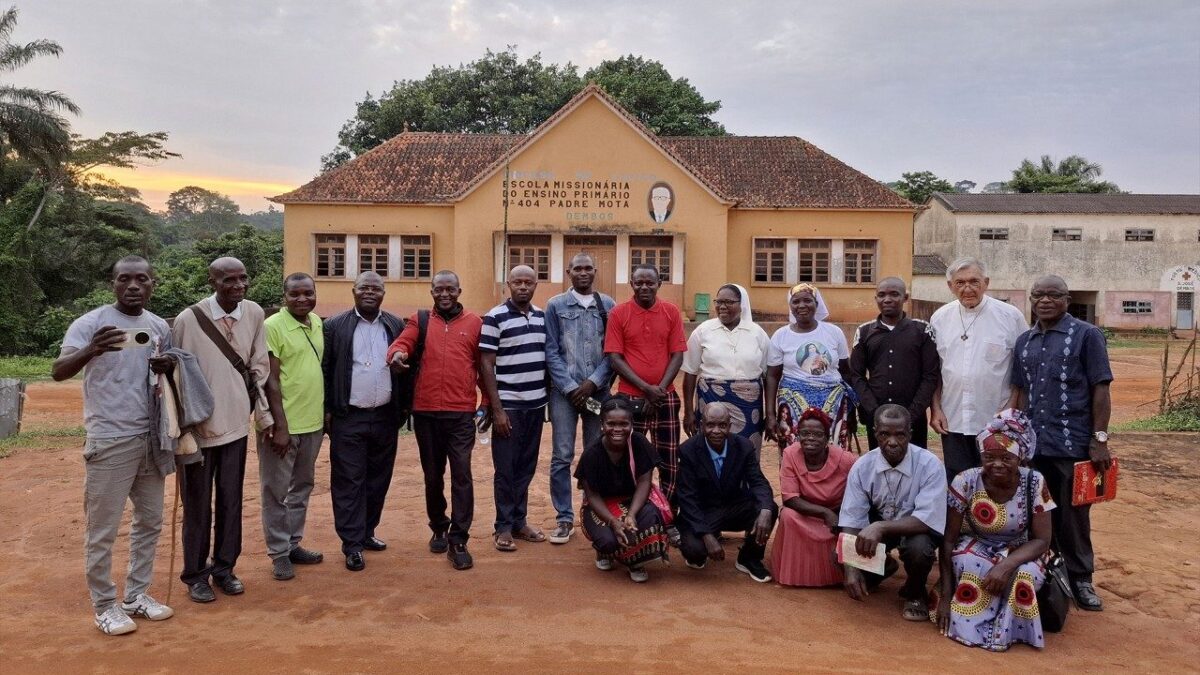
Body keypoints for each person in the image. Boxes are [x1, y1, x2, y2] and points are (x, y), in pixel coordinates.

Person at [53, 256, 176, 634]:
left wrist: (169, 365)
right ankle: (104, 605)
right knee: (103, 529)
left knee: (149, 522)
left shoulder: (158, 325)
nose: (134, 286)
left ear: (153, 283)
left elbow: (168, 373)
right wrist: (91, 349)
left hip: (151, 438)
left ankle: (136, 595)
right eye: (125, 279)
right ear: (113, 284)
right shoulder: (90, 323)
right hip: (109, 439)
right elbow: (58, 372)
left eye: (142, 279)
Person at [1006, 275, 1113, 611]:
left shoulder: (1087, 335)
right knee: (1034, 514)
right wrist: (1016, 440)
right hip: (1034, 448)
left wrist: (1099, 439)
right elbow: (1020, 394)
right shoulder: (1024, 341)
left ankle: (1082, 579)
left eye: (1054, 294)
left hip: (1074, 445)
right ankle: (1044, 576)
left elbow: (1101, 388)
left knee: (1073, 517)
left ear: (1067, 299)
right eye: (1038, 294)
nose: (1045, 300)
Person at [171, 256, 272, 602]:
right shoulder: (189, 319)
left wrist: (247, 401)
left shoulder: (255, 314)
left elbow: (259, 363)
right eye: (229, 280)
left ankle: (225, 569)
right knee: (197, 506)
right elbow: (176, 374)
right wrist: (185, 422)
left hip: (236, 428)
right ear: (212, 282)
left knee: (231, 501)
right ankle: (195, 575)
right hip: (196, 432)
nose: (238, 286)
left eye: (243, 278)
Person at [387, 270, 486, 570]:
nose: (444, 295)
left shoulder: (475, 323)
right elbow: (402, 343)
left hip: (460, 413)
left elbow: (482, 365)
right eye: (439, 290)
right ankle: (438, 526)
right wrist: (396, 355)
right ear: (431, 291)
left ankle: (459, 540)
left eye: (450, 289)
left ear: (459, 291)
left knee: (462, 475)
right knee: (433, 476)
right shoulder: (421, 319)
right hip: (426, 412)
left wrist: (491, 403)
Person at [937, 409, 1055, 651]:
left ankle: (1007, 631)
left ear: (1020, 457)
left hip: (1022, 547)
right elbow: (948, 541)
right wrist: (945, 597)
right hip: (978, 542)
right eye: (989, 457)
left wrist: (1006, 565)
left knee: (1023, 576)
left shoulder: (1035, 482)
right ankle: (969, 625)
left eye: (1006, 457)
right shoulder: (965, 481)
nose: (997, 464)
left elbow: (1043, 541)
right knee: (969, 562)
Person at [322, 271, 406, 572]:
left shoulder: (396, 324)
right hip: (349, 417)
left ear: (384, 293)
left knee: (378, 479)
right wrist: (328, 410)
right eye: (364, 288)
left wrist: (403, 410)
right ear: (353, 291)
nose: (370, 292)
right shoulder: (334, 326)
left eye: (376, 288)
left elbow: (408, 367)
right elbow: (326, 369)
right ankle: (352, 544)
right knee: (349, 481)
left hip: (385, 416)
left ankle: (367, 531)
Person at [839, 404, 947, 621]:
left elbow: (927, 520)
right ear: (875, 433)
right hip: (880, 525)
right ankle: (884, 566)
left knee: (919, 549)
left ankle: (916, 592)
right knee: (841, 557)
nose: (892, 441)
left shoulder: (930, 465)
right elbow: (851, 519)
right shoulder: (863, 466)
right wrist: (850, 567)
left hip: (915, 528)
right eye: (884, 434)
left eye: (900, 434)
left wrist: (879, 527)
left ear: (910, 434)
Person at [929, 257, 1028, 481]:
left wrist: (1009, 411)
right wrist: (936, 409)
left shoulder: (1010, 316)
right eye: (960, 283)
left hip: (997, 418)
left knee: (997, 479)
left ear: (986, 282)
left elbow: (1021, 370)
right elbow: (935, 370)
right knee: (959, 481)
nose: (967, 288)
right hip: (952, 418)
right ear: (950, 286)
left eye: (974, 281)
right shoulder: (940, 318)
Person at [543, 253, 616, 545]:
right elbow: (551, 350)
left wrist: (592, 383)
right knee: (562, 454)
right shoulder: (556, 305)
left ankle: (592, 510)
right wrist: (572, 387)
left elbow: (613, 351)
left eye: (588, 268)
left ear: (595, 271)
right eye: (578, 268)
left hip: (598, 393)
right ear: (569, 272)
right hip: (564, 396)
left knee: (596, 452)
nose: (583, 273)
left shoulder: (608, 305)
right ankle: (564, 517)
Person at [259, 273, 325, 582]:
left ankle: (293, 543)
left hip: (312, 424)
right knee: (276, 491)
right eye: (295, 294)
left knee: (302, 487)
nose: (302, 299)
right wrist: (280, 427)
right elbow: (270, 379)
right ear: (284, 296)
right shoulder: (272, 327)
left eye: (307, 293)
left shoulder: (317, 322)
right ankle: (279, 554)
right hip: (284, 427)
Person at [479, 265, 549, 552]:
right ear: (508, 284)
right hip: (508, 408)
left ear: (535, 285)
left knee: (526, 467)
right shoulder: (494, 317)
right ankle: (503, 527)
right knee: (505, 469)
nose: (523, 287)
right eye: (517, 282)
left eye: (528, 282)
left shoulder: (543, 317)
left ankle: (520, 522)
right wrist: (497, 410)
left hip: (535, 406)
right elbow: (486, 363)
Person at [605, 264, 687, 500]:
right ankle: (633, 513)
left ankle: (668, 514)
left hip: (666, 397)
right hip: (629, 399)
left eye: (650, 282)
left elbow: (677, 355)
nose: (644, 287)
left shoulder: (671, 312)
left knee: (669, 459)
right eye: (639, 282)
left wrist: (658, 391)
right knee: (630, 458)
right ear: (631, 284)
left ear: (659, 284)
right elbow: (615, 358)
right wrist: (646, 389)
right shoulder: (619, 314)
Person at [674, 405, 777, 582]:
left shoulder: (743, 446)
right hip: (702, 511)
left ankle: (749, 558)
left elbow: (758, 482)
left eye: (722, 425)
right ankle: (704, 543)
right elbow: (687, 498)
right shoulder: (688, 450)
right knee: (695, 553)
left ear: (730, 426)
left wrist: (766, 509)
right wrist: (707, 536)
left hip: (733, 508)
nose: (716, 431)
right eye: (710, 425)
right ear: (701, 425)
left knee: (769, 509)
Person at [574, 398, 669, 583]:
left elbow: (644, 483)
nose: (617, 429)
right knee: (608, 541)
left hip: (632, 501)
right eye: (611, 424)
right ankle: (604, 552)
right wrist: (612, 521)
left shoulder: (639, 442)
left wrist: (632, 514)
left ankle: (636, 560)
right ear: (602, 425)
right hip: (601, 506)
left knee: (649, 516)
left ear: (632, 424)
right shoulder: (592, 453)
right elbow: (592, 495)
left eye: (624, 424)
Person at [771, 407, 857, 587]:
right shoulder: (790, 454)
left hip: (837, 517)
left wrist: (839, 514)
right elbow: (790, 498)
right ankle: (795, 576)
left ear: (827, 438)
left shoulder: (845, 460)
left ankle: (840, 575)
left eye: (817, 434)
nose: (810, 438)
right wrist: (825, 513)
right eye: (805, 433)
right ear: (797, 435)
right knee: (787, 515)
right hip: (806, 513)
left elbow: (863, 480)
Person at [850, 277, 939, 450]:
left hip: (914, 418)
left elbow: (930, 375)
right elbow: (857, 375)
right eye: (881, 295)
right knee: (879, 464)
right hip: (877, 418)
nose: (887, 299)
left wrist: (912, 414)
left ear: (905, 298)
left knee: (914, 464)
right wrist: (874, 411)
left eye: (894, 294)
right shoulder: (864, 332)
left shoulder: (922, 331)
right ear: (876, 298)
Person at [682, 283, 770, 451]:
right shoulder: (703, 331)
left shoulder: (757, 333)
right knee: (711, 450)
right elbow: (690, 373)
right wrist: (688, 413)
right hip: (710, 399)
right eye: (718, 301)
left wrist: (770, 414)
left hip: (749, 404)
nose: (722, 306)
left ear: (741, 304)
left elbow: (768, 375)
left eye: (729, 302)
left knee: (746, 450)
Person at [765, 283, 855, 449]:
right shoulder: (781, 336)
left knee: (833, 449)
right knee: (794, 449)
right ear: (790, 306)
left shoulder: (834, 332)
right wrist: (770, 415)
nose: (801, 306)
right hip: (792, 402)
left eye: (807, 300)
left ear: (817, 304)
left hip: (833, 401)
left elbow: (846, 372)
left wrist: (851, 412)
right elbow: (772, 376)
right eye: (795, 302)